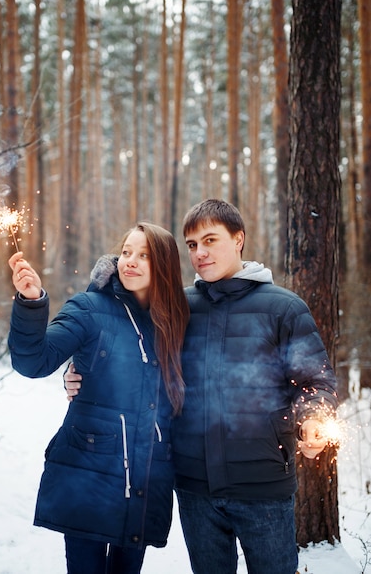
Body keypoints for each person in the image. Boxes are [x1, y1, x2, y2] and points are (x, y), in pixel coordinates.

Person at [65, 199, 338, 574]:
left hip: (263, 486)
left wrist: (315, 419)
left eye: (210, 240)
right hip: (194, 487)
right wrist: (77, 370)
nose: (200, 253)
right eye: (192, 245)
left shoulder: (284, 308)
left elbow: (316, 381)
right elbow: (124, 344)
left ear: (238, 239)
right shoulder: (178, 306)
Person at [7, 221, 190, 574]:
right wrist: (32, 303)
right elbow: (34, 361)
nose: (130, 261)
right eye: (126, 252)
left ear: (164, 265)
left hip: (145, 477)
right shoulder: (89, 308)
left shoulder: (175, 321)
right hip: (88, 474)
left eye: (144, 255)